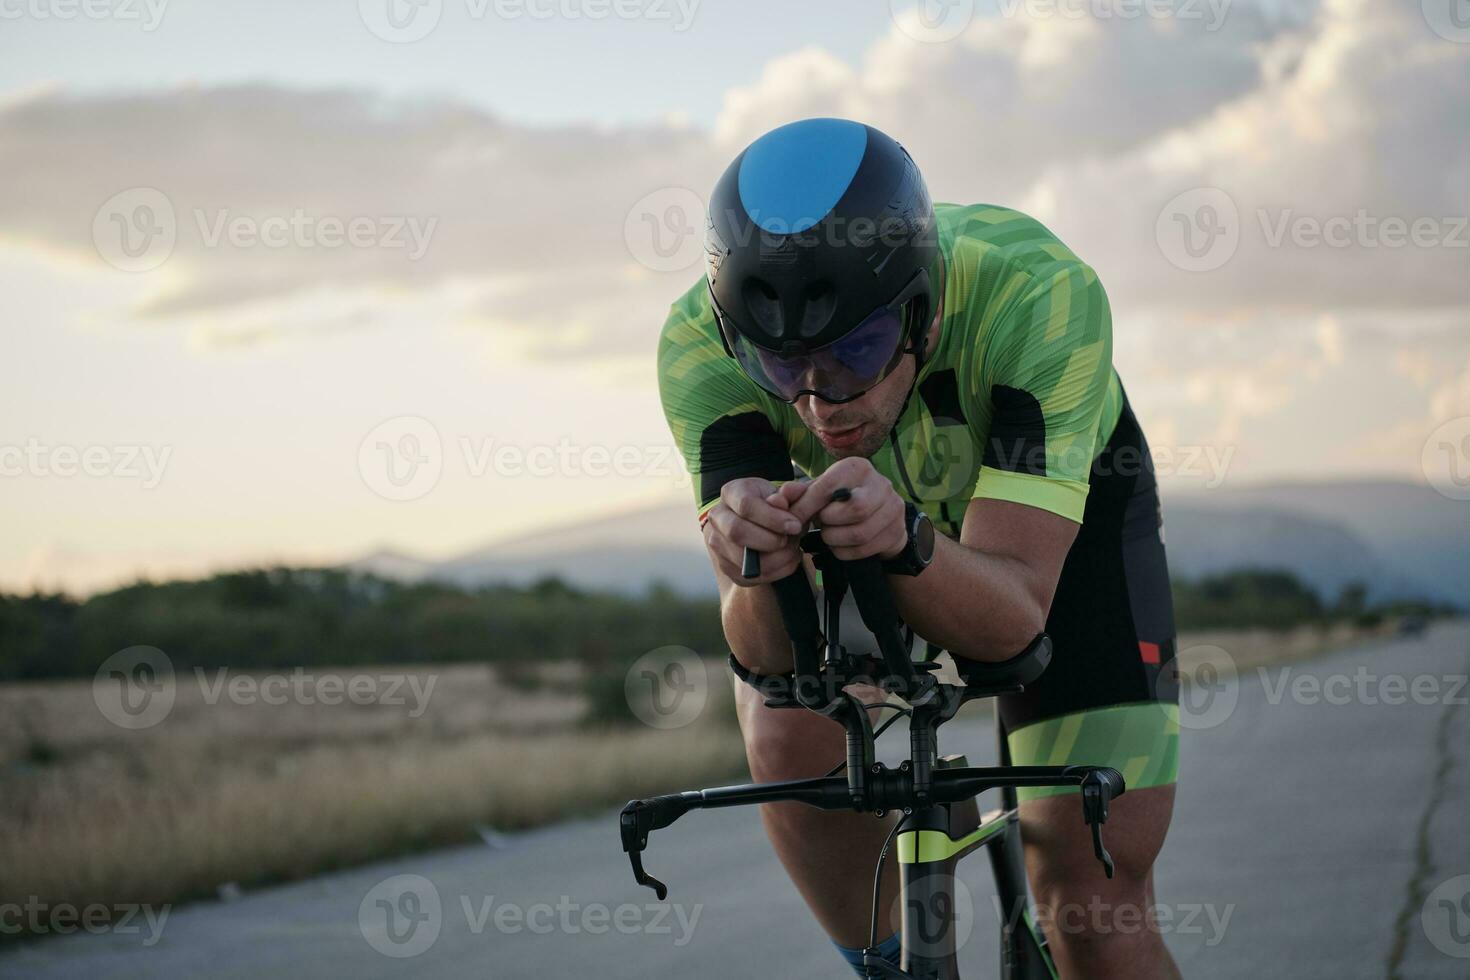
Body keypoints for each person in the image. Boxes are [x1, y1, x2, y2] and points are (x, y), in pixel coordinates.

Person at [656, 117, 1181, 979]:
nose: (821, 406)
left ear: (924, 313)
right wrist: (752, 562)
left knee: (1094, 906)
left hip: (1059, 542)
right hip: (858, 524)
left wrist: (904, 535)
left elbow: (1013, 625)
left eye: (857, 350)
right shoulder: (698, 347)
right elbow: (765, 659)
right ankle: (888, 964)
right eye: (782, 371)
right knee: (785, 741)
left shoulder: (1038, 295)